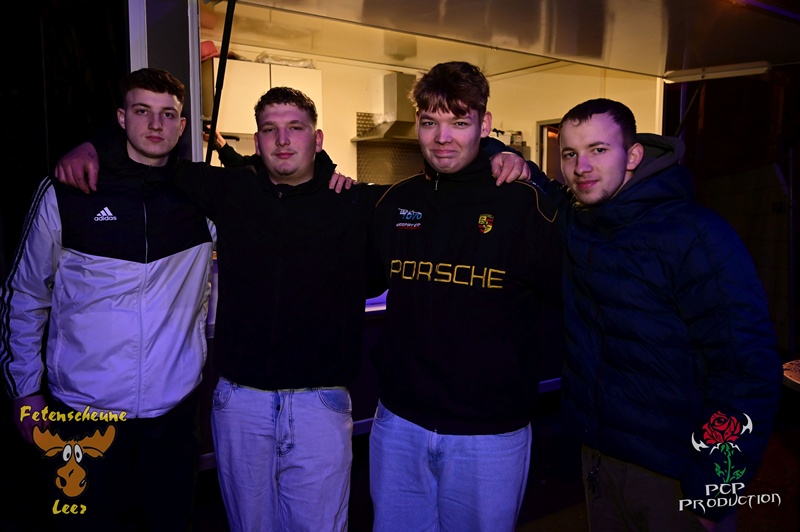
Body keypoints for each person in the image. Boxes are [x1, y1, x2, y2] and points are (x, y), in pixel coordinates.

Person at [54, 84, 531, 531]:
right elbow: (149, 153)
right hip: (240, 402)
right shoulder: (229, 191)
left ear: (317, 138)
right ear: (257, 140)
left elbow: (441, 178)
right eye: (270, 129)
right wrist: (93, 146)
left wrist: (497, 152)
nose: (283, 141)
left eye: (295, 128)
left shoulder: (356, 202)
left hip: (319, 404)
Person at [529, 98, 782, 531]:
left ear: (632, 156)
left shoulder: (695, 235)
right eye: (570, 153)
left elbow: (748, 370)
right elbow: (540, 193)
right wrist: (499, 155)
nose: (581, 166)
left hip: (679, 474)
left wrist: (717, 489)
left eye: (598, 149)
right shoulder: (581, 224)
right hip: (600, 463)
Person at [0, 67, 212, 531]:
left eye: (167, 114)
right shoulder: (68, 191)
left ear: (182, 126)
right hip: (83, 413)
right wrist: (25, 391)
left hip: (172, 418)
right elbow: (25, 295)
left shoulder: (202, 197)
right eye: (142, 111)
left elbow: (278, 185)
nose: (155, 124)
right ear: (120, 117)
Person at [368, 61, 563, 531]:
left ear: (484, 124)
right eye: (429, 122)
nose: (442, 138)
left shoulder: (524, 202)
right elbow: (361, 279)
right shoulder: (395, 202)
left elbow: (564, 301)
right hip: (399, 424)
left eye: (459, 122)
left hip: (489, 435)